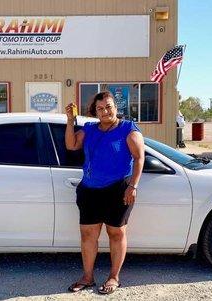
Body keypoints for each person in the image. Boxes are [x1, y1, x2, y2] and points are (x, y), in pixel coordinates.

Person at [64, 91, 145, 295]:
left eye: (108, 106)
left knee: (116, 233)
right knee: (88, 234)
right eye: (100, 108)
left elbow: (139, 158)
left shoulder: (128, 129)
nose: (105, 111)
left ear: (116, 108)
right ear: (95, 111)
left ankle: (114, 277)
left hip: (118, 189)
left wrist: (133, 185)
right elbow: (71, 144)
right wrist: (70, 120)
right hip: (90, 190)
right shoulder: (89, 129)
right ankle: (87, 277)